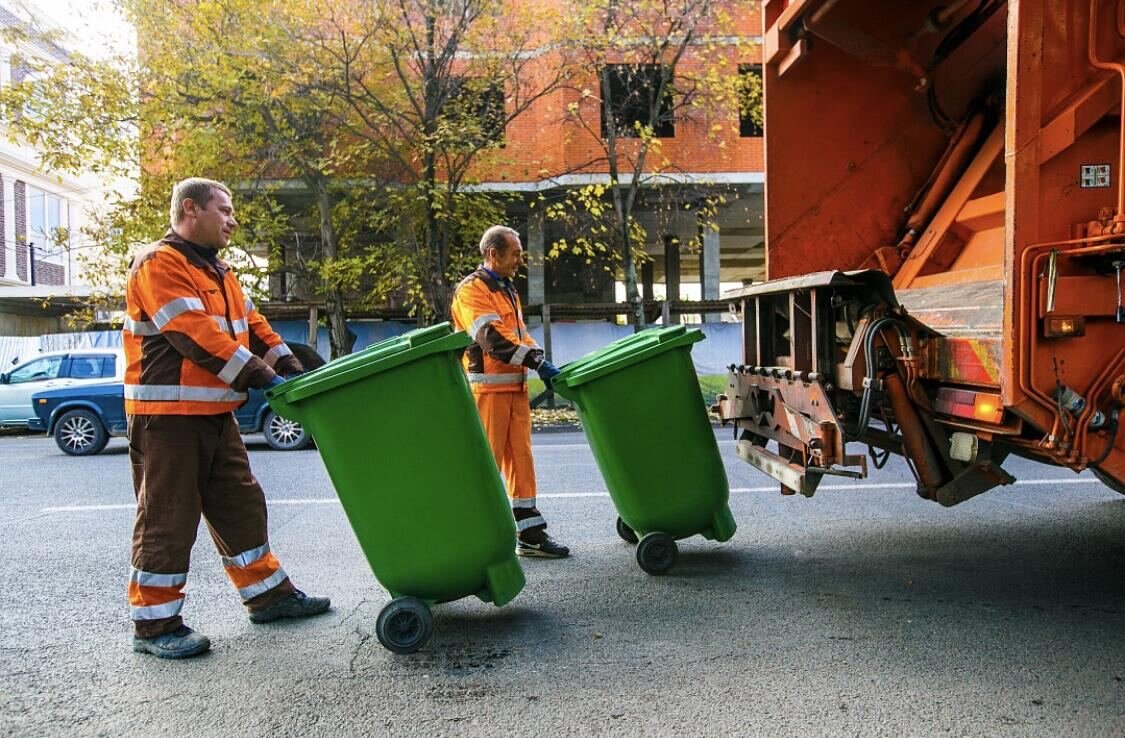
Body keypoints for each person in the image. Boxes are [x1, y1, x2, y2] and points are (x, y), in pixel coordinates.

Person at [123, 177, 330, 659]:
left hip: (215, 414)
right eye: (226, 210)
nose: (233, 220)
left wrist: (291, 369)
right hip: (168, 418)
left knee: (241, 504)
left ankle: (268, 596)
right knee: (167, 518)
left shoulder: (221, 272)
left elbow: (255, 330)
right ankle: (155, 626)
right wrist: (262, 376)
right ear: (190, 210)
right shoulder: (160, 263)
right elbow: (194, 335)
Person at [451, 225, 570, 559]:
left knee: (521, 462)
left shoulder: (507, 290)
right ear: (493, 254)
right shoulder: (472, 291)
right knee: (486, 467)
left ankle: (530, 533)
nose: (520, 259)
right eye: (515, 253)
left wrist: (542, 360)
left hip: (513, 390)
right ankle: (470, 538)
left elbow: (518, 336)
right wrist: (535, 361)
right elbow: (491, 339)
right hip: (487, 393)